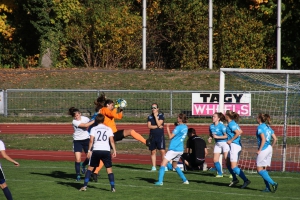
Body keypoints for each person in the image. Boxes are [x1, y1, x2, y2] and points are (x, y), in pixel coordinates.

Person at [92, 95, 147, 178]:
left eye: (114, 105)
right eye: (112, 105)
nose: (113, 106)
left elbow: (118, 117)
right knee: (105, 155)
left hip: (114, 133)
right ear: (108, 105)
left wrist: (121, 109)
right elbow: (113, 114)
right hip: (108, 135)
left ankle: (147, 142)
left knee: (131, 131)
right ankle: (95, 172)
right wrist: (117, 107)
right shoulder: (104, 110)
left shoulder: (109, 110)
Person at [79, 113, 117, 192]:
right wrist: (114, 150)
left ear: (96, 120)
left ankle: (85, 186)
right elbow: (112, 140)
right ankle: (113, 187)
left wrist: (89, 150)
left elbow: (91, 141)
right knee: (109, 170)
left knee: (90, 169)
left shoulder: (94, 129)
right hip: (106, 150)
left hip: (96, 150)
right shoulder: (108, 129)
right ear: (104, 120)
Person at [154, 113, 189, 186]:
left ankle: (160, 181)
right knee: (175, 165)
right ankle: (185, 180)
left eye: (178, 117)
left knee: (163, 164)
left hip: (174, 148)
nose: (177, 118)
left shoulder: (178, 128)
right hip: (180, 149)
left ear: (180, 119)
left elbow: (170, 137)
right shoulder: (185, 127)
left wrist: (167, 128)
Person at [225, 110, 251, 189]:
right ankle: (235, 179)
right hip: (235, 145)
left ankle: (246, 180)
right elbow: (241, 131)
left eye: (225, 115)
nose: (224, 116)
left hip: (234, 146)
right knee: (228, 163)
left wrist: (231, 140)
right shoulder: (233, 123)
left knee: (233, 166)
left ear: (227, 116)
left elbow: (238, 132)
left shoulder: (231, 124)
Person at [68, 107, 95, 181]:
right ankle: (78, 175)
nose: (77, 117)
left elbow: (91, 123)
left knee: (90, 157)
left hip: (86, 140)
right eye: (75, 116)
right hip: (77, 141)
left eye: (78, 115)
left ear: (80, 114)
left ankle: (83, 165)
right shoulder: (74, 122)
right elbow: (85, 125)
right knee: (78, 159)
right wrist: (94, 120)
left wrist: (96, 118)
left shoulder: (85, 118)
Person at [255, 113, 278, 193]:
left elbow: (263, 139)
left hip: (264, 149)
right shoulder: (268, 127)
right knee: (264, 169)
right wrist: (271, 147)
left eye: (257, 117)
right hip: (269, 148)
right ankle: (267, 188)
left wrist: (259, 150)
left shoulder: (260, 127)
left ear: (259, 119)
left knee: (259, 169)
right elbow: (275, 139)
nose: (256, 118)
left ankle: (273, 183)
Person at [208, 112, 229, 177]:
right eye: (212, 116)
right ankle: (220, 174)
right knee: (215, 160)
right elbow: (211, 134)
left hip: (224, 143)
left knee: (227, 160)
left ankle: (232, 173)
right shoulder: (211, 126)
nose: (213, 118)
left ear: (218, 118)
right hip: (217, 144)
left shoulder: (222, 126)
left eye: (214, 117)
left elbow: (226, 136)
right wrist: (210, 138)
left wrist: (217, 137)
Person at [147, 103, 166, 171]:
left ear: (157, 109)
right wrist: (157, 126)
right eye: (152, 108)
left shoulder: (161, 116)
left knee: (162, 151)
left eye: (154, 108)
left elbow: (159, 123)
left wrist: (155, 117)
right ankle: (154, 166)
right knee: (153, 151)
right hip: (152, 136)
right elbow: (149, 126)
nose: (153, 109)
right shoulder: (150, 117)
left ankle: (164, 166)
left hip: (160, 135)